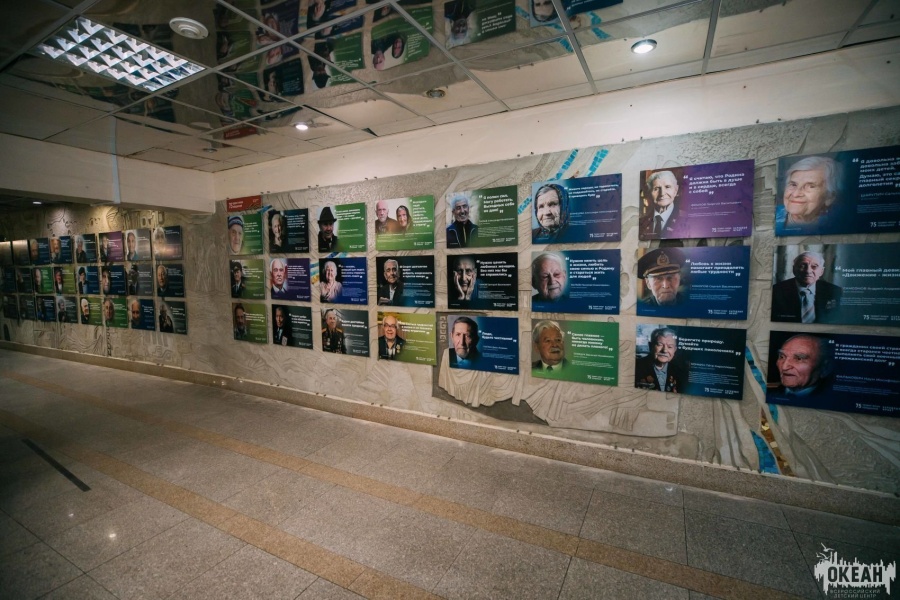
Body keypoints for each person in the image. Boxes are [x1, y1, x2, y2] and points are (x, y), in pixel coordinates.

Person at [771, 251, 842, 324]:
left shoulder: (834, 291)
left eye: (814, 266)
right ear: (794, 269)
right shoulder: (776, 291)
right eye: (802, 266)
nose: (808, 271)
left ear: (821, 271)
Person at [777, 156, 841, 232]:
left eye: (811, 186)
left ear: (829, 197)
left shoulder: (839, 224)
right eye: (793, 184)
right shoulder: (772, 216)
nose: (795, 194)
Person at [634, 327, 687, 392]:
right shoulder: (636, 366)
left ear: (675, 350)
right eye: (660, 345)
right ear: (650, 346)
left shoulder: (679, 372)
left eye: (670, 347)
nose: (664, 350)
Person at [639, 170, 682, 239]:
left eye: (667, 187)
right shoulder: (641, 223)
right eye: (656, 189)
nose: (662, 193)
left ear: (676, 190)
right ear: (649, 192)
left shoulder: (688, 220)